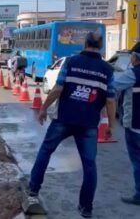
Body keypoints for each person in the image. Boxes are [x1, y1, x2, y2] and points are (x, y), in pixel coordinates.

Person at [25, 32, 116, 218]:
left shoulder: (71, 62)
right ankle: (86, 208)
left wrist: (43, 108)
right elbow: (111, 100)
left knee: (46, 151)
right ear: (101, 46)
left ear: (85, 43)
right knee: (89, 165)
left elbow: (58, 89)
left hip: (64, 119)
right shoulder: (107, 70)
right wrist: (111, 126)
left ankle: (33, 190)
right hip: (89, 124)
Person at [113, 42, 140, 206]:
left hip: (135, 126)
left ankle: (139, 194)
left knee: (137, 161)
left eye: (132, 56)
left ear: (136, 57)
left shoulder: (133, 74)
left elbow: (114, 86)